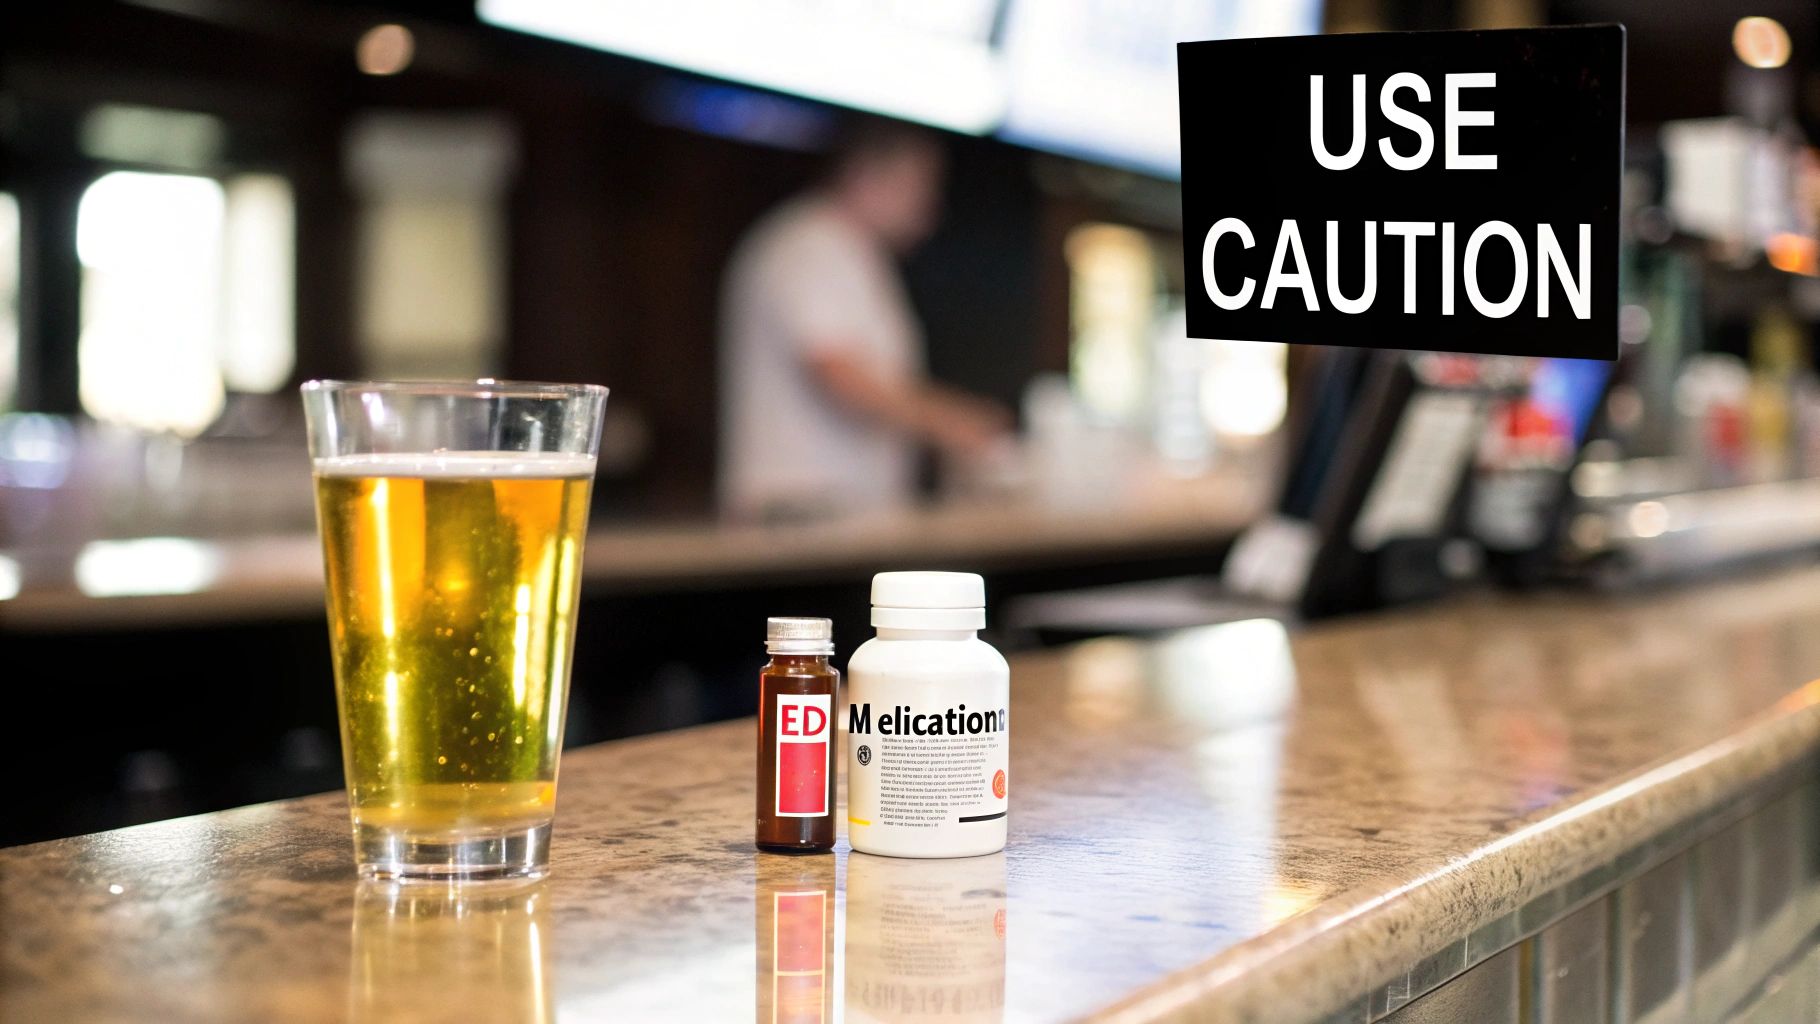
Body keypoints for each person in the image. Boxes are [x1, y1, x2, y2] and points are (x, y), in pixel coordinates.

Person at [717, 119, 1010, 520]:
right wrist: (953, 424)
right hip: (796, 512)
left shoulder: (857, 254)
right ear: (866, 174)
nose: (930, 205)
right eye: (920, 185)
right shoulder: (812, 243)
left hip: (836, 513)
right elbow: (838, 373)